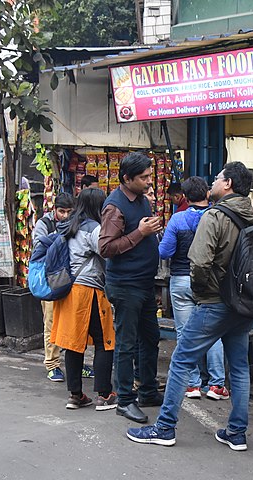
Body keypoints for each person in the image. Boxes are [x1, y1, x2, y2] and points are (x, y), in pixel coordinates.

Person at [126, 161, 253, 450]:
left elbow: (199, 262)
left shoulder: (217, 216)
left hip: (215, 302)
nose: (213, 181)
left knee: (182, 360)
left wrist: (202, 294)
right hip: (244, 303)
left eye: (218, 178)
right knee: (237, 366)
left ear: (228, 185)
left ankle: (164, 427)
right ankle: (236, 432)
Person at [99, 152, 163, 424]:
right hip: (126, 285)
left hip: (145, 283)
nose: (149, 182)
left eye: (150, 176)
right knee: (126, 343)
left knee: (150, 337)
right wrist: (141, 234)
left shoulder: (141, 201)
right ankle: (125, 399)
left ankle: (147, 390)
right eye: (144, 177)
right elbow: (106, 248)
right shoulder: (115, 207)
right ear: (127, 179)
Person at [158, 176, 229, 401]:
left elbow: (165, 252)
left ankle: (192, 384)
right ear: (207, 195)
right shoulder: (217, 217)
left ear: (185, 197)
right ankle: (217, 384)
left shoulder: (178, 220)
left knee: (185, 332)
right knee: (212, 332)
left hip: (181, 280)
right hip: (210, 282)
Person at [50, 188, 118, 410]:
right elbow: (106, 251)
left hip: (68, 290)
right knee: (105, 340)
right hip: (89, 291)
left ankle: (75, 395)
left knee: (73, 343)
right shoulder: (93, 228)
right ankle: (104, 394)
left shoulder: (68, 225)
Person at [32, 193, 94, 383]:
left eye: (69, 212)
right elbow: (40, 246)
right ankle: (52, 364)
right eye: (62, 211)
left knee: (74, 323)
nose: (65, 216)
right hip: (51, 280)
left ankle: (76, 363)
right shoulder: (45, 224)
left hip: (71, 281)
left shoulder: (76, 224)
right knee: (51, 322)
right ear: (54, 210)